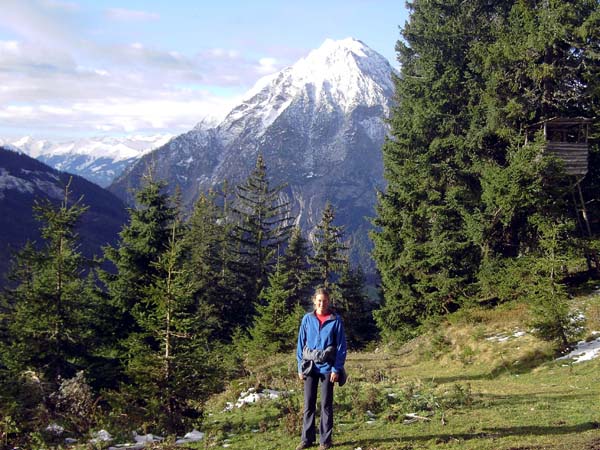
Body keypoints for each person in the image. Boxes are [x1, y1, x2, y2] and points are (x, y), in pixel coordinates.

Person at [296, 288, 347, 450]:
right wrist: (299, 366)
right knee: (308, 404)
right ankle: (307, 439)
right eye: (319, 300)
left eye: (325, 301)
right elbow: (300, 344)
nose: (322, 304)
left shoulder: (336, 320)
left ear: (329, 301)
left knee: (326, 405)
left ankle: (325, 440)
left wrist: (336, 369)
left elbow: (341, 347)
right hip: (310, 367)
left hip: (328, 368)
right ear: (314, 301)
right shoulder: (307, 319)